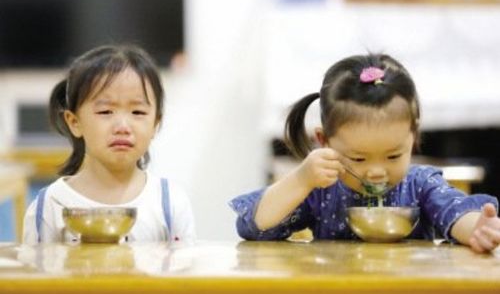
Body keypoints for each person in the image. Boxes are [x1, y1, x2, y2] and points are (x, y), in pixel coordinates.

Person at [230, 53, 500, 253]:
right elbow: (255, 228)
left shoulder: (421, 186)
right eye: (358, 158)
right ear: (324, 141)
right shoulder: (321, 190)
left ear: (413, 137)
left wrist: (476, 229)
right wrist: (301, 179)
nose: (376, 171)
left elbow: (454, 213)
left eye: (393, 156)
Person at [23, 45, 196, 244]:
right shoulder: (48, 207)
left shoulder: (170, 203)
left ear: (155, 124)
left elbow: (184, 273)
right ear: (74, 123)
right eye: (105, 112)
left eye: (138, 112)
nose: (122, 126)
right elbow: (34, 273)